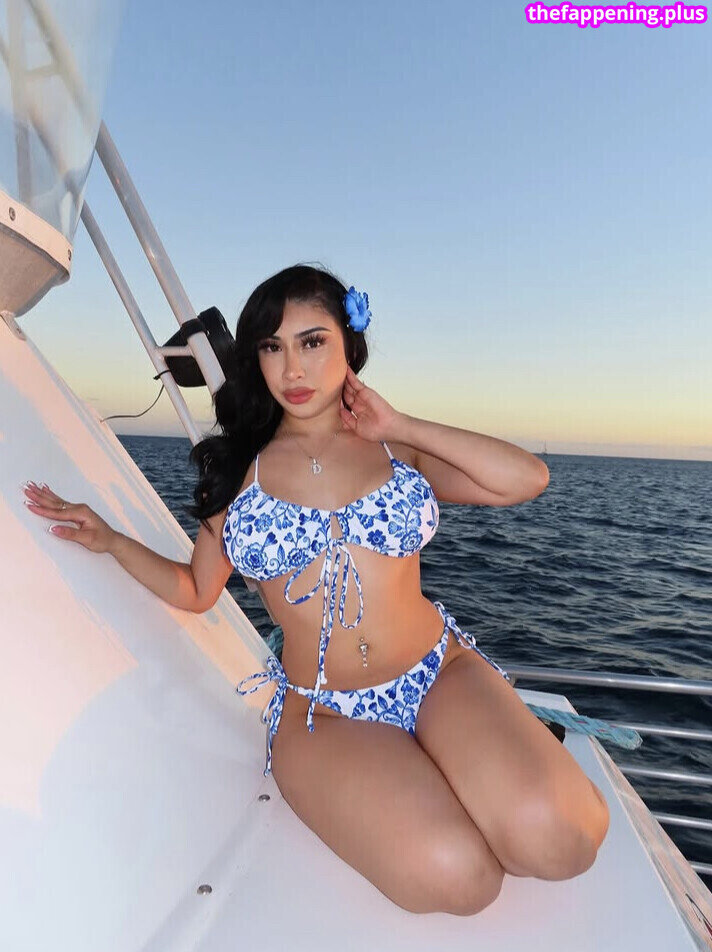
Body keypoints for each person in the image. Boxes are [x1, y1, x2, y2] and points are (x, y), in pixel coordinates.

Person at [23, 263, 609, 916]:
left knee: (564, 840)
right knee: (461, 878)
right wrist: (110, 540)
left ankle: (466, 759)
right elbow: (195, 588)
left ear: (348, 347)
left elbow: (526, 479)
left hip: (439, 673)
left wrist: (401, 425)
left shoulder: (395, 452)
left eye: (312, 341)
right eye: (272, 347)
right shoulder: (237, 472)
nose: (292, 368)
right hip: (324, 714)